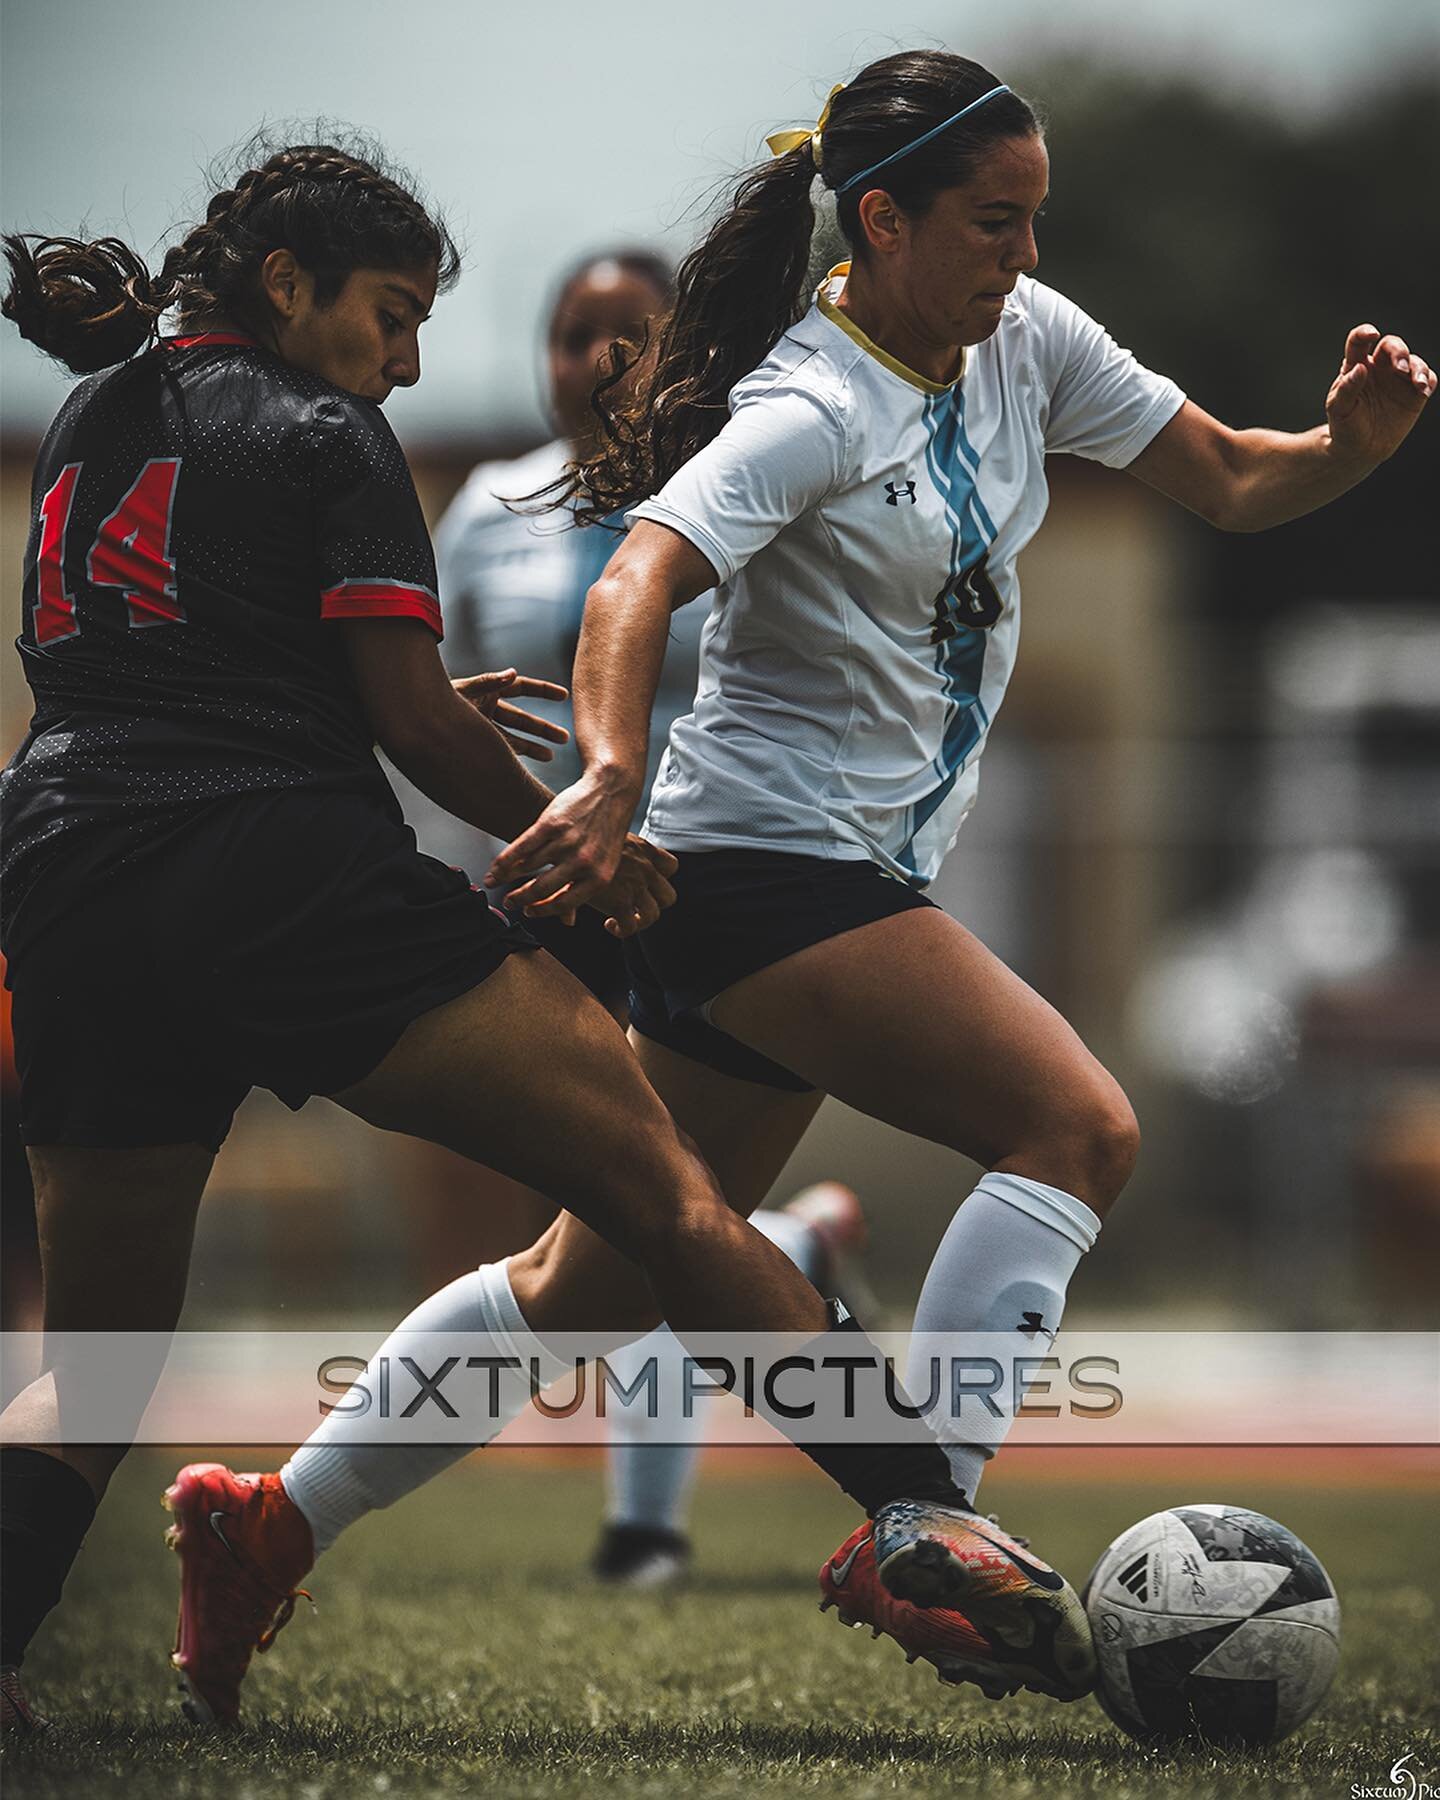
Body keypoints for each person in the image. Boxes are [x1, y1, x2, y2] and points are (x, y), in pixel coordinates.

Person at [260, 47, 1434, 1703]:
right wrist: (609, 773)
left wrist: (1347, 444)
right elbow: (635, 580)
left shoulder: (1023, 339)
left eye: (1037, 222)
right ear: (880, 221)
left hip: (797, 874)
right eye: (992, 223)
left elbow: (1237, 475)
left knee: (580, 1284)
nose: (1025, 256)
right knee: (1078, 1125)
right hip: (761, 862)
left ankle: (270, 1528)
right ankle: (929, 1524)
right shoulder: (813, 401)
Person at [0, 136, 1019, 1733]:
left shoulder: (91, 411)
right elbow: (408, 720)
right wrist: (593, 845)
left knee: (101, 1360)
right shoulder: (325, 430)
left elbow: (176, 658)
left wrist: (324, 711)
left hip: (64, 876)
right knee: (665, 1193)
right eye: (394, 316)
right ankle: (930, 1520)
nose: (408, 364)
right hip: (272, 871)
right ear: (289, 288)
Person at [420, 252, 872, 1587]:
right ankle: (792, 1248)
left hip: (697, 890)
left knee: (654, 1197)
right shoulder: (487, 506)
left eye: (632, 335)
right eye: (573, 335)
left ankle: (645, 1531)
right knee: (621, 1206)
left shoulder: (742, 482)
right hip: (548, 897)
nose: (599, 361)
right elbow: (440, 699)